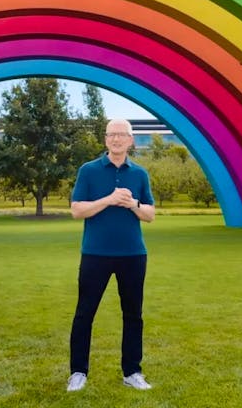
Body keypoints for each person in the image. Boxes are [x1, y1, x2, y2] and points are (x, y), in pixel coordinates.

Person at [66, 119, 156, 392]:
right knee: (84, 313)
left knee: (133, 315)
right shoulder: (89, 171)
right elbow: (77, 210)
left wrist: (132, 203)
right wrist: (109, 198)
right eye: (112, 134)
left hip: (133, 255)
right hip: (95, 254)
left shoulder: (139, 174)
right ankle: (78, 372)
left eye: (122, 135)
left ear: (131, 140)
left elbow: (150, 214)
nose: (117, 139)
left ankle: (132, 371)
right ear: (105, 140)